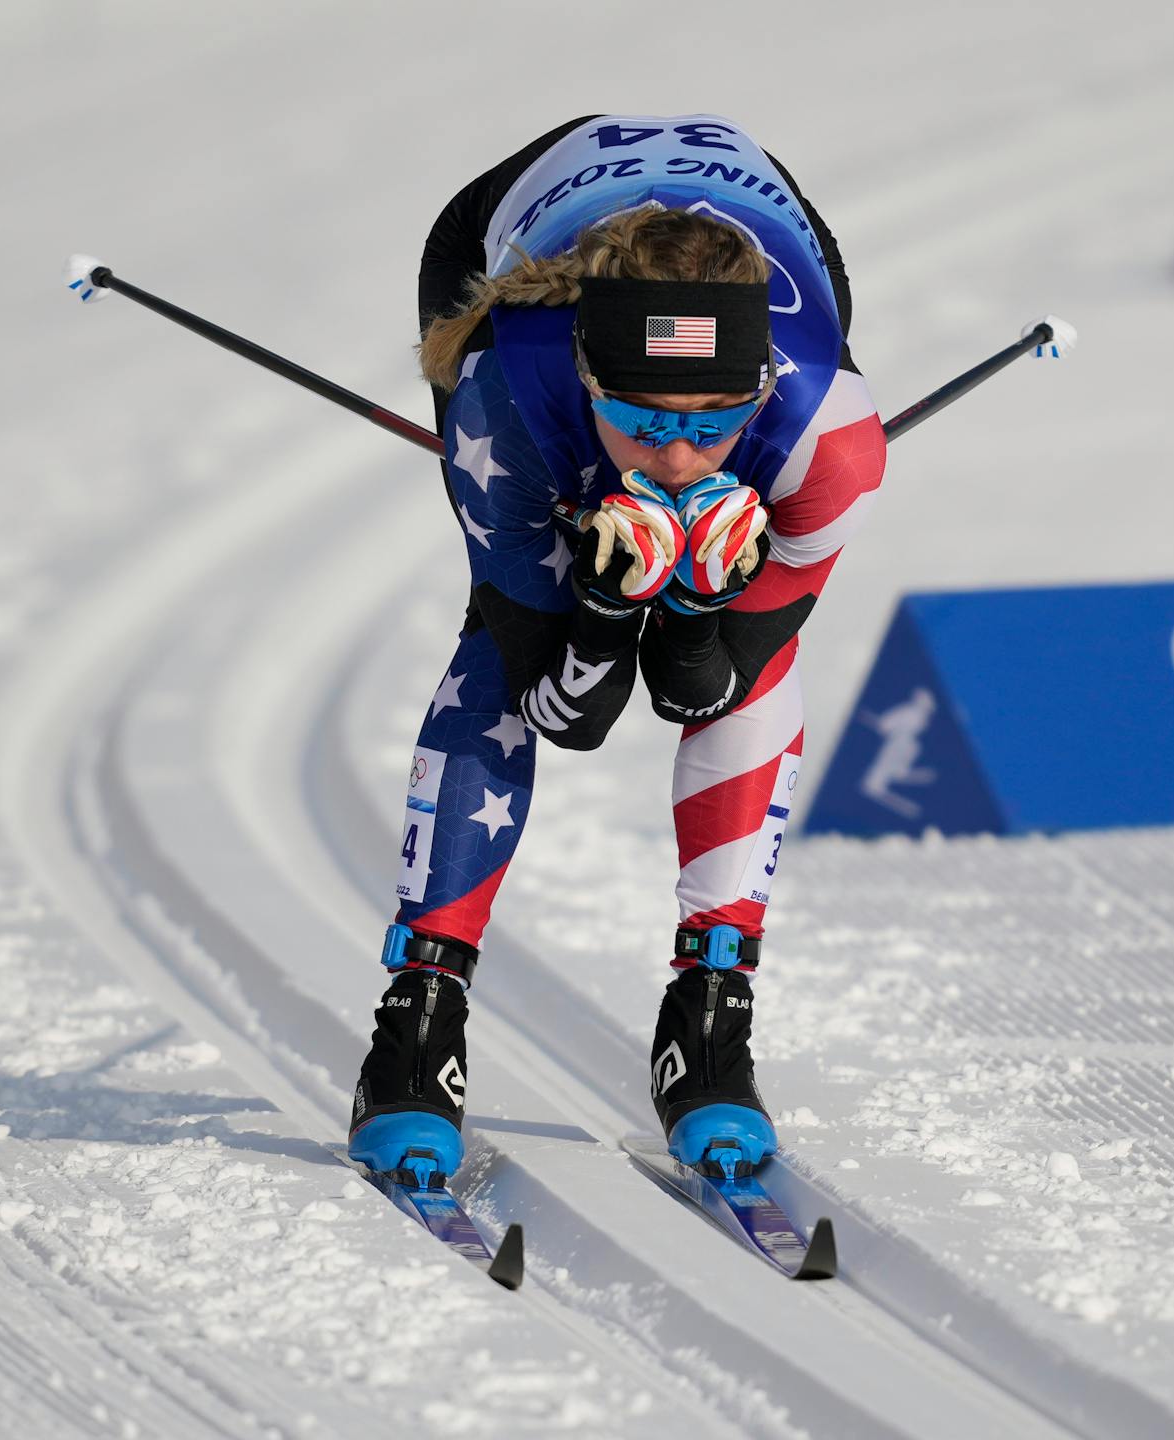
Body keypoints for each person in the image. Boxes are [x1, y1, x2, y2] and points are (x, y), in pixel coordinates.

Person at [346, 115, 885, 1185]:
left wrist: (698, 609)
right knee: (500, 650)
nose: (681, 456)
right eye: (641, 422)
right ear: (588, 382)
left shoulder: (830, 439)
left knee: (749, 665)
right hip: (503, 220)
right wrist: (598, 605)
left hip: (773, 225)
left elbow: (709, 688)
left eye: (713, 423)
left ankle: (712, 1020)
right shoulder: (510, 391)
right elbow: (570, 711)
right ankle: (416, 1022)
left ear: (759, 397)